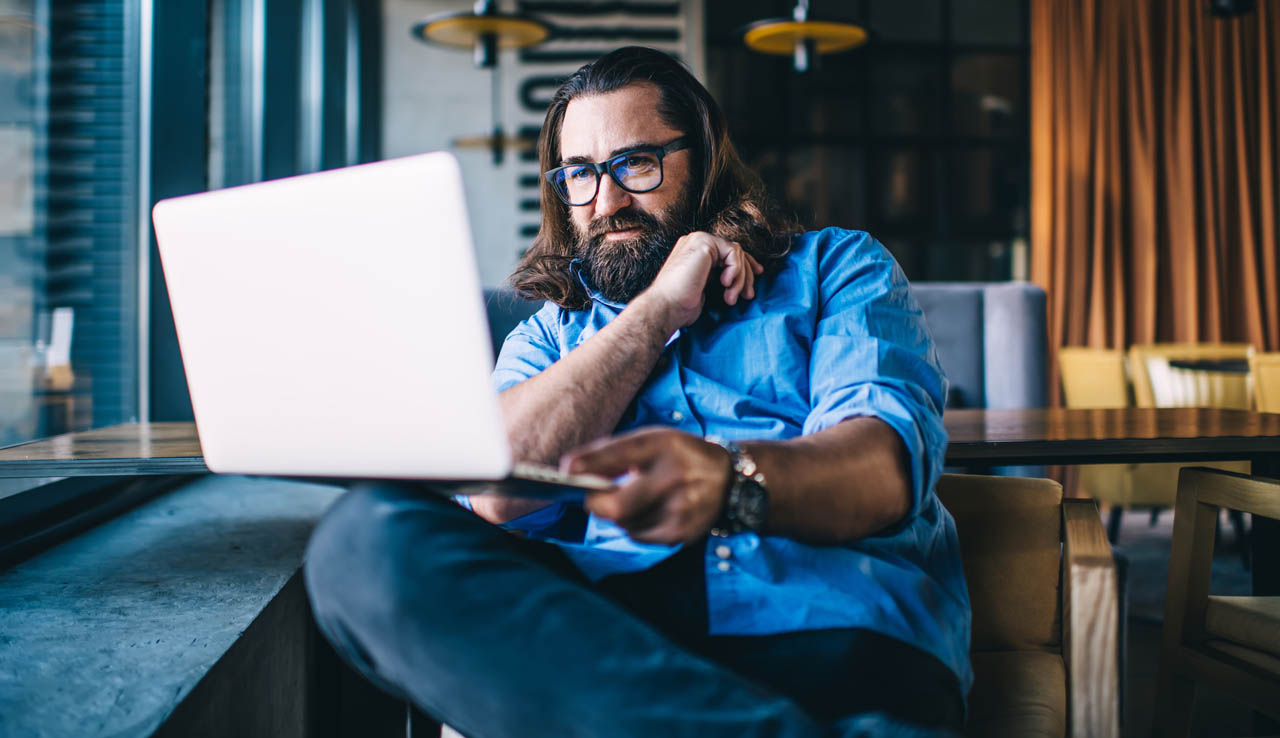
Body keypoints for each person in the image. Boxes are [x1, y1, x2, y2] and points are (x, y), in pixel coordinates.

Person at [304, 46, 970, 738]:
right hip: (619, 656)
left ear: (704, 161)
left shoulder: (837, 268)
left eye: (636, 165)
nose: (608, 200)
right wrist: (657, 311)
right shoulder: (549, 337)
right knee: (363, 542)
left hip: (832, 636)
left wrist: (728, 484)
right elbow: (500, 492)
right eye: (581, 175)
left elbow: (882, 471)